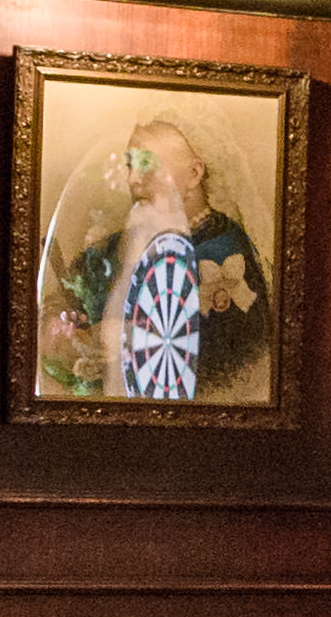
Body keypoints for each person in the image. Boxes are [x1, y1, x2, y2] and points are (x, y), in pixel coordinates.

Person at [40, 112, 273, 404]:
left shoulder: (224, 252)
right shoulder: (121, 241)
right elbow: (62, 298)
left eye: (147, 164)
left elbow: (232, 364)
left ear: (194, 173)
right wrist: (63, 327)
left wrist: (128, 338)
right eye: (130, 166)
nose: (133, 180)